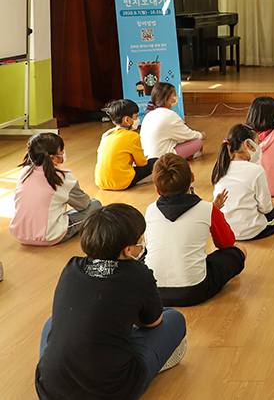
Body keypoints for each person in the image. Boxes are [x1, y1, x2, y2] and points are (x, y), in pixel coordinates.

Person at [35, 203, 187, 400]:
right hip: (112, 391)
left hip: (49, 390)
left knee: (52, 322)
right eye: (140, 238)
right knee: (173, 317)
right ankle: (152, 363)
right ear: (128, 249)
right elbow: (153, 322)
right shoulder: (138, 273)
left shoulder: (71, 266)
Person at [144, 154, 246, 307]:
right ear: (192, 177)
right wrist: (214, 213)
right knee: (239, 249)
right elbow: (226, 243)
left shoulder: (150, 210)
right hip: (194, 291)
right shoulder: (207, 209)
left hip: (154, 291)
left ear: (158, 190)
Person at [9, 133, 101, 246]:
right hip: (50, 236)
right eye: (62, 151)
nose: (63, 153)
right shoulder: (63, 176)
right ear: (52, 157)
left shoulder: (25, 171)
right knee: (95, 204)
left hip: (21, 234)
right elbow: (83, 204)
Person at [211, 124, 274, 240]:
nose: (259, 147)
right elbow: (266, 209)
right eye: (258, 142)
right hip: (250, 231)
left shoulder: (220, 167)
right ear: (248, 144)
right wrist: (271, 205)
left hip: (226, 230)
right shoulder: (257, 170)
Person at [95, 99, 157, 190]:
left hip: (101, 182)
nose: (137, 120)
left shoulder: (106, 134)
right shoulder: (133, 136)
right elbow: (142, 163)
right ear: (127, 119)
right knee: (155, 161)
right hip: (122, 182)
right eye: (135, 117)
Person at [139, 82, 205, 160]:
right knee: (197, 142)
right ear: (168, 99)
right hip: (162, 158)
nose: (176, 97)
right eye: (174, 94)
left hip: (146, 157)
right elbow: (188, 135)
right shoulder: (170, 115)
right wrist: (201, 135)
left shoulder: (149, 114)